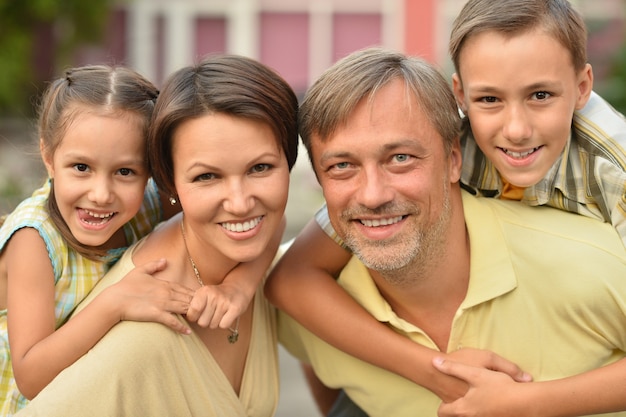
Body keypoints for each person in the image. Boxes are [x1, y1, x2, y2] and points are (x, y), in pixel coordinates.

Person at [265, 0, 626, 409]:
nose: (516, 129)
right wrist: (433, 371)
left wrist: (527, 402)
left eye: (540, 95)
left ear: (581, 88)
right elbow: (291, 283)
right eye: (489, 99)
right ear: (462, 96)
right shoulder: (462, 141)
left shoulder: (614, 174)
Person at [15, 53, 299, 417]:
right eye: (81, 167)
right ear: (48, 157)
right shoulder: (33, 241)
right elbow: (30, 377)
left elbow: (267, 220)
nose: (102, 194)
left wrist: (240, 286)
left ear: (152, 176)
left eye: (260, 168)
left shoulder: (146, 203)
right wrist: (114, 304)